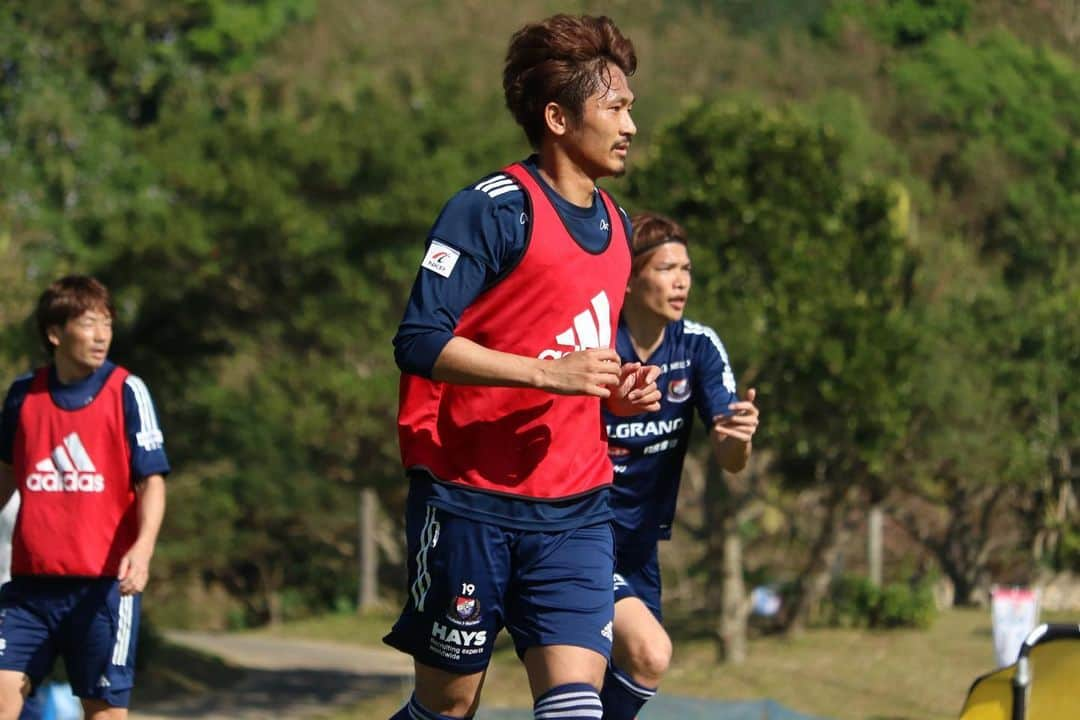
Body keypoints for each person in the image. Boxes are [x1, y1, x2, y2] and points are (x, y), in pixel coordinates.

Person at [385, 13, 661, 720]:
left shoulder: (618, 227)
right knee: (448, 707)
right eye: (616, 107)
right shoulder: (490, 211)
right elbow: (418, 340)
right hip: (469, 503)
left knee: (576, 709)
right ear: (558, 118)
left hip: (575, 511)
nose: (631, 123)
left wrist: (614, 394)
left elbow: (578, 355)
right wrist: (549, 375)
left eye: (631, 106)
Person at [598, 213, 760, 719]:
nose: (682, 280)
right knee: (649, 653)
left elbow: (731, 460)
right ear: (629, 278)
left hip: (640, 546)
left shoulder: (697, 347)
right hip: (579, 533)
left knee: (627, 674)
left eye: (686, 269)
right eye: (668, 268)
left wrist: (738, 438)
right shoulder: (596, 345)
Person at [0, 275, 169, 720]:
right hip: (29, 590)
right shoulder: (23, 397)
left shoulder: (127, 392)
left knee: (103, 712)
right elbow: (5, 476)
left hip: (102, 589)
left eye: (107, 324)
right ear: (55, 334)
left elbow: (152, 482)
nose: (101, 336)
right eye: (89, 324)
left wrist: (143, 548)